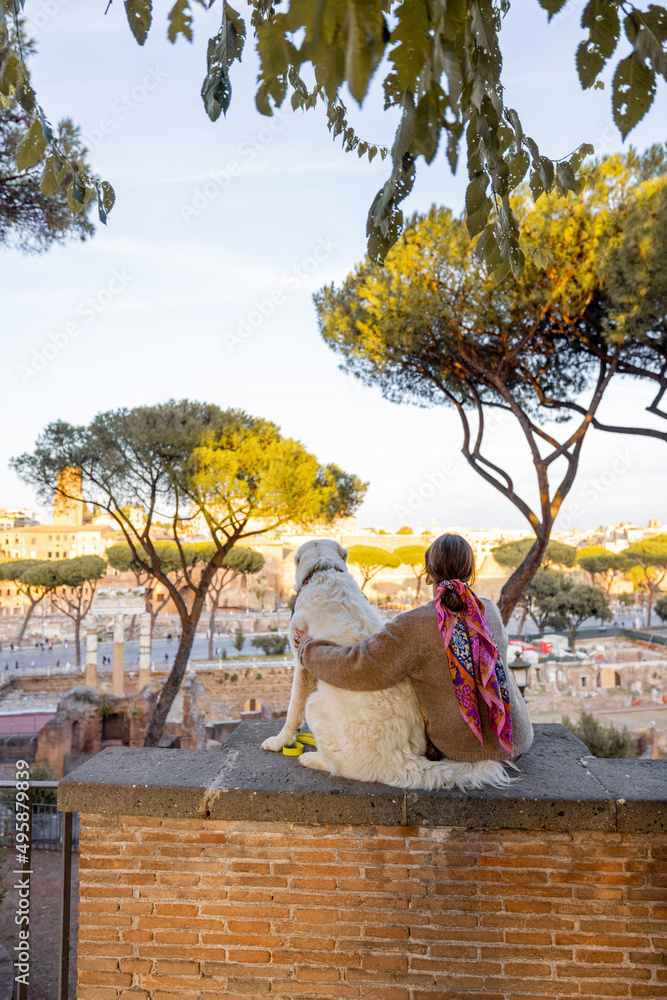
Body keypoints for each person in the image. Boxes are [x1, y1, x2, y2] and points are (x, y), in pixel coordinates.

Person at [294, 533, 533, 763]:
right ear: (471, 572)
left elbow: (359, 666)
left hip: (461, 750)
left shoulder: (414, 625)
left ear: (428, 574)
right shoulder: (489, 610)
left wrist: (308, 650)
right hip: (517, 741)